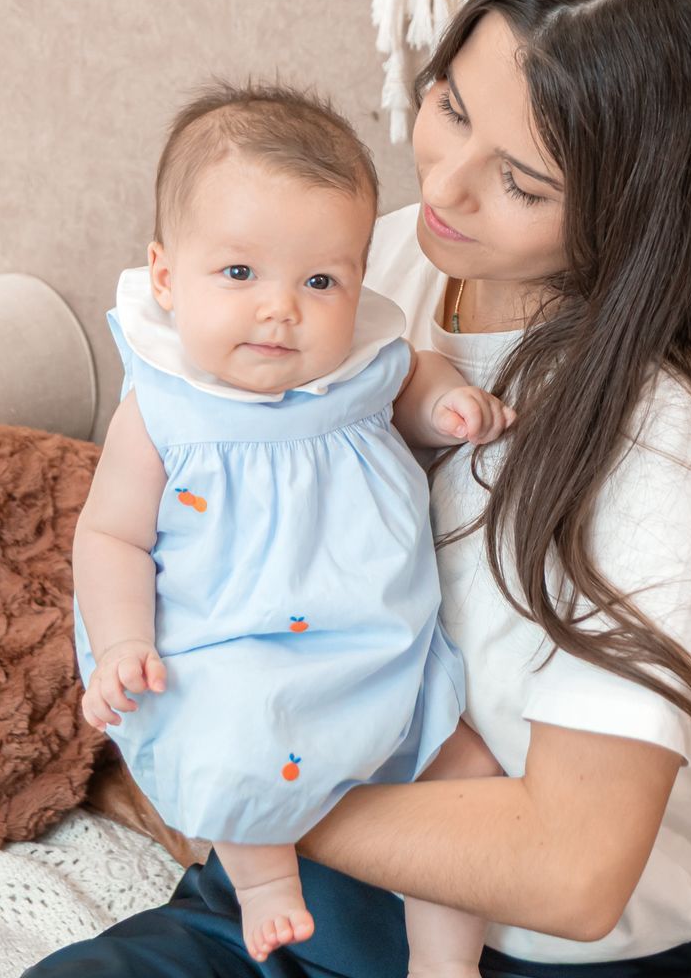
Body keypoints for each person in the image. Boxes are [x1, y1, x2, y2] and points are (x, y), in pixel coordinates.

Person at [27, 0, 691, 977]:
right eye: (452, 107)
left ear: (648, 210)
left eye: (523, 180)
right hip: (283, 901)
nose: (446, 186)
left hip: (521, 954)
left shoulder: (669, 450)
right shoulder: (378, 270)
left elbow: (572, 867)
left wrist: (242, 772)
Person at [70, 82, 513, 974]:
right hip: (232, 651)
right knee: (235, 750)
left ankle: (445, 965)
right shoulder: (163, 410)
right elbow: (109, 537)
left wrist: (445, 408)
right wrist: (121, 642)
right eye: (240, 274)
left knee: (468, 783)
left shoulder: (362, 363)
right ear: (166, 276)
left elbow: (412, 377)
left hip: (380, 646)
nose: (283, 308)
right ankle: (266, 888)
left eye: (320, 281)